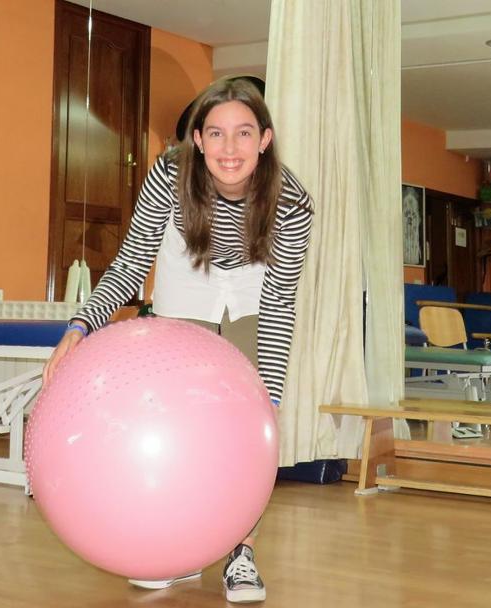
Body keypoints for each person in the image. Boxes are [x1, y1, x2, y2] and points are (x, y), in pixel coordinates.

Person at [43, 77, 314, 603]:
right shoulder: (168, 177)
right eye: (215, 134)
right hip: (181, 302)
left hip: (254, 307)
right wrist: (80, 325)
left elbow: (281, 305)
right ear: (196, 140)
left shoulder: (291, 202)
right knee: (177, 436)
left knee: (240, 441)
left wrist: (271, 396)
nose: (228, 149)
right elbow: (129, 267)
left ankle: (240, 554)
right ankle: (172, 546)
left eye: (242, 134)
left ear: (265, 139)